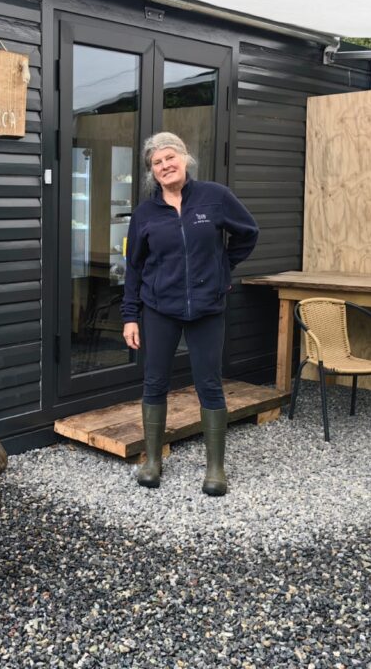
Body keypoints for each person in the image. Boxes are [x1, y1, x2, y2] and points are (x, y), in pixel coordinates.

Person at [121, 132, 258, 495]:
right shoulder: (145, 214)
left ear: (185, 158)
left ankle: (215, 469)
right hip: (159, 308)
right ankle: (152, 461)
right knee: (154, 382)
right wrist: (130, 316)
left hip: (206, 307)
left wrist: (221, 269)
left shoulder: (215, 197)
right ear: (152, 172)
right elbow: (133, 267)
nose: (165, 165)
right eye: (157, 162)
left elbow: (248, 233)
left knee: (209, 384)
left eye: (170, 157)